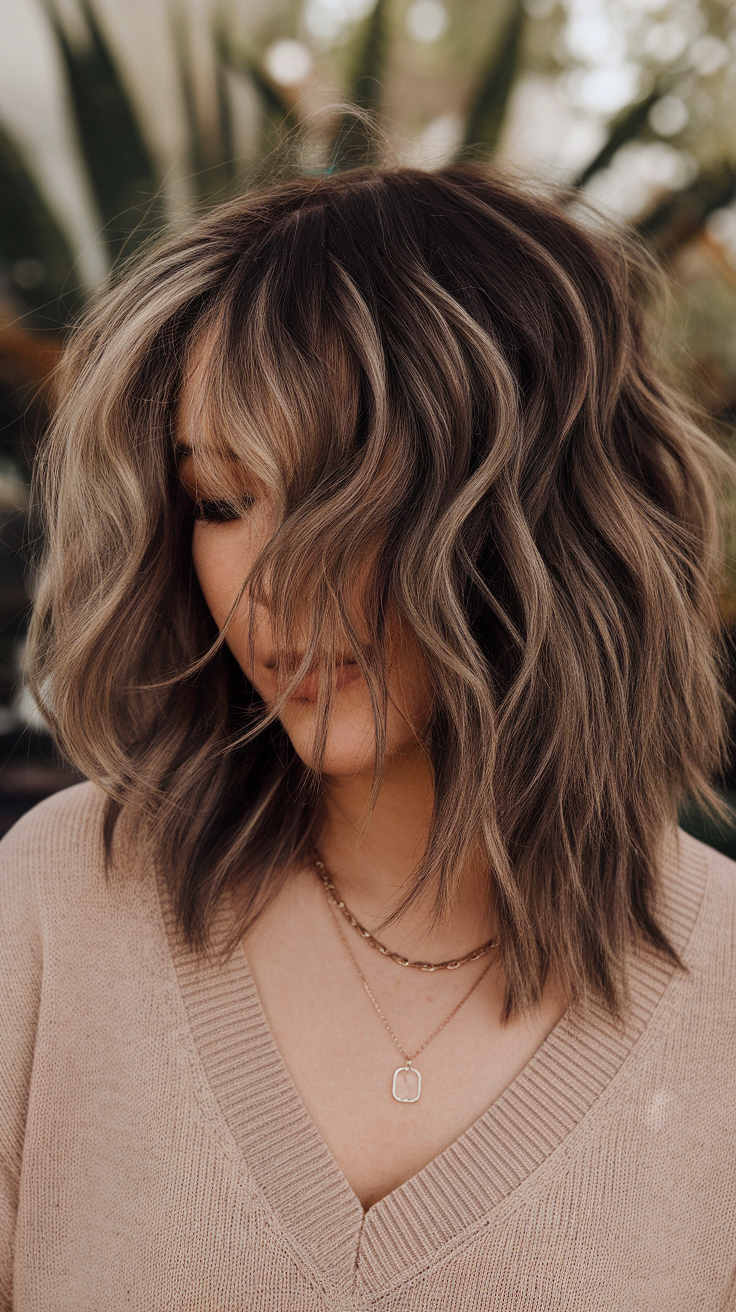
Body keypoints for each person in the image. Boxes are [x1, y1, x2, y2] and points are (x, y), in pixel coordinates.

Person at [1, 160, 735, 1311]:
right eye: (224, 500)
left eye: (351, 497)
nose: (274, 589)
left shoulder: (722, 999)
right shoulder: (57, 903)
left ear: (534, 513)